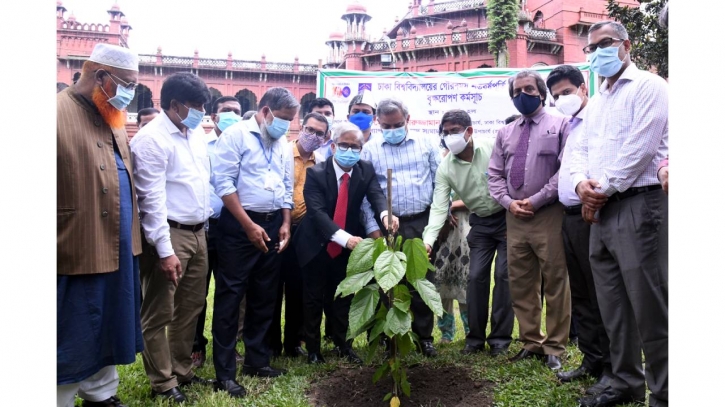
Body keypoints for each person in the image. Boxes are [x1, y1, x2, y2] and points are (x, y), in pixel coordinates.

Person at [571, 21, 668, 407]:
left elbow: (642, 147)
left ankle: (665, 392)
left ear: (626, 45)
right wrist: (581, 183)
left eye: (604, 44)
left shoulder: (650, 87)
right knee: (613, 304)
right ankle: (626, 381)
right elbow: (580, 149)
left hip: (638, 205)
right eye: (590, 49)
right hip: (601, 211)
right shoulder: (598, 100)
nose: (596, 54)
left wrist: (601, 190)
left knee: (649, 306)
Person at [57, 43, 143, 407]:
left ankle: (101, 394)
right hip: (72, 250)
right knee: (71, 330)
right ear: (99, 76)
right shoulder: (53, 115)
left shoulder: (113, 118)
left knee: (111, 323)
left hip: (119, 247)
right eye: (126, 84)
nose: (129, 94)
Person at [130, 72, 213, 404]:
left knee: (190, 307)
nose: (201, 112)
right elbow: (151, 200)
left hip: (198, 232)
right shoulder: (151, 140)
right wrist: (164, 251)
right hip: (169, 234)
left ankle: (181, 370)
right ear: (175, 105)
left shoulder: (194, 134)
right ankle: (162, 381)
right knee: (159, 311)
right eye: (196, 106)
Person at [211, 87, 297, 399]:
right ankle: (224, 372)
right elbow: (222, 183)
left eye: (290, 121)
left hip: (274, 223)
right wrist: (248, 226)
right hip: (239, 225)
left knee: (265, 294)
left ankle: (257, 361)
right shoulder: (235, 136)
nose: (286, 126)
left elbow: (286, 185)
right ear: (265, 111)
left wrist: (285, 222)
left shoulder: (282, 141)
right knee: (231, 296)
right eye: (283, 119)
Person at [294, 121, 399, 364]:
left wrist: (386, 214)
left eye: (355, 147)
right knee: (313, 299)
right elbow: (317, 214)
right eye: (344, 145)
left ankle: (343, 345)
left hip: (346, 248)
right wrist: (345, 239)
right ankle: (313, 350)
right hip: (316, 245)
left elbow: (376, 196)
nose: (349, 151)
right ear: (333, 146)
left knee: (343, 297)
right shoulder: (316, 174)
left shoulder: (364, 170)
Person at [487, 70, 571, 371]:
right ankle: (531, 342)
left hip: (548, 214)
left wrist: (535, 201)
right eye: (516, 90)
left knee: (555, 281)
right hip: (515, 218)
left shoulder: (561, 125)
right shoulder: (505, 132)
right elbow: (494, 175)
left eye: (528, 89)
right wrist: (509, 203)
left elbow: (566, 169)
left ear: (541, 92)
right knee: (521, 282)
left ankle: (555, 346)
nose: (521, 95)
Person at [422, 109, 514, 356]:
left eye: (455, 131)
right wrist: (428, 241)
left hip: (507, 219)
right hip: (480, 223)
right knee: (475, 278)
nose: (449, 136)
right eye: (446, 132)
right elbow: (439, 207)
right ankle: (474, 339)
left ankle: (500, 340)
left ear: (469, 131)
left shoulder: (494, 147)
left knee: (505, 276)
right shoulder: (446, 168)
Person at [546, 65, 613, 396]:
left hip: (593, 213)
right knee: (582, 293)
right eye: (556, 96)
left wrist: (594, 198)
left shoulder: (598, 119)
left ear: (583, 88)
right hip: (569, 216)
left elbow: (603, 163)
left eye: (567, 92)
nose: (562, 99)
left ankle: (614, 366)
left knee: (603, 293)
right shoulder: (568, 125)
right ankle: (592, 359)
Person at [361, 97, 441, 357]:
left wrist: (439, 220)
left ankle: (424, 337)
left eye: (397, 124)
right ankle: (388, 337)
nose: (392, 130)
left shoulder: (426, 143)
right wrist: (374, 228)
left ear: (407, 120)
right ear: (378, 123)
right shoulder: (370, 150)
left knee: (421, 279)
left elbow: (440, 184)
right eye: (386, 125)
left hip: (420, 221)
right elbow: (365, 194)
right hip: (387, 225)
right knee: (387, 281)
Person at [267, 112, 328, 358]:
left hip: (305, 232)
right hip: (277, 228)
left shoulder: (322, 161)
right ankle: (271, 345)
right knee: (271, 288)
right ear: (300, 128)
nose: (313, 136)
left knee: (297, 289)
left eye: (319, 133)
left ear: (326, 138)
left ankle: (293, 343)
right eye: (310, 129)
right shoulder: (280, 152)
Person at [190, 96, 243, 369]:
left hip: (233, 229)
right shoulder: (199, 143)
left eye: (237, 111)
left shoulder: (246, 145)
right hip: (203, 228)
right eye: (226, 111)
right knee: (196, 292)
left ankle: (227, 347)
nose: (232, 115)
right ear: (214, 115)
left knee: (230, 292)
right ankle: (195, 347)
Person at [431, 191, 470, 344]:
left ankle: (470, 330)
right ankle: (446, 333)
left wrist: (450, 206)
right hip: (441, 232)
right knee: (440, 279)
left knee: (465, 280)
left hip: (466, 229)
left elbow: (478, 197)